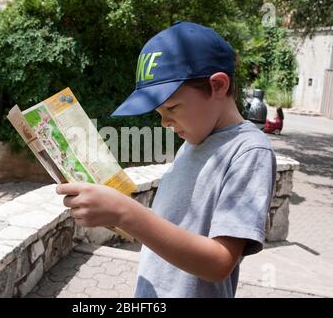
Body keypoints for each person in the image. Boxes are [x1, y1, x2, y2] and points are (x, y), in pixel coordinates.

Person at [56, 22, 277, 298]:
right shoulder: (193, 142)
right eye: (159, 111)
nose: (165, 122)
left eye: (172, 107)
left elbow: (220, 262)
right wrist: (113, 210)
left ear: (218, 85)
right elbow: (172, 227)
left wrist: (127, 213)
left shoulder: (248, 152)